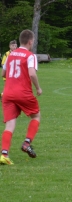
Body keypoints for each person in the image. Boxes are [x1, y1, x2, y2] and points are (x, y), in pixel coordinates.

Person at [0, 30, 42, 165]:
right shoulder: (30, 56)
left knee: (10, 124)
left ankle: (4, 154)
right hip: (23, 92)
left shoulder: (10, 54)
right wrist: (38, 88)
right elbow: (32, 74)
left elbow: (3, 73)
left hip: (7, 93)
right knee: (36, 116)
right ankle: (26, 143)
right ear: (30, 41)